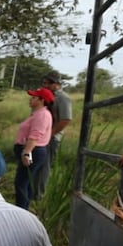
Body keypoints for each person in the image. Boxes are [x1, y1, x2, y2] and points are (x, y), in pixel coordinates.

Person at [33, 70, 73, 199]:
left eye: (47, 83)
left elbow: (65, 120)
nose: (44, 85)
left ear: (56, 84)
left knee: (44, 166)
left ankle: (39, 195)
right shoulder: (46, 95)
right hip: (39, 137)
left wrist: (49, 134)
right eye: (43, 83)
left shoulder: (63, 98)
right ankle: (32, 191)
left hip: (51, 138)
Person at [14, 87, 53, 210]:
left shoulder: (42, 115)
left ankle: (21, 211)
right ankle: (24, 208)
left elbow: (35, 135)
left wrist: (26, 152)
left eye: (34, 97)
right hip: (32, 150)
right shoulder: (38, 114)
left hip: (33, 151)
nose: (31, 100)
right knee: (27, 182)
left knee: (21, 183)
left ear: (42, 100)